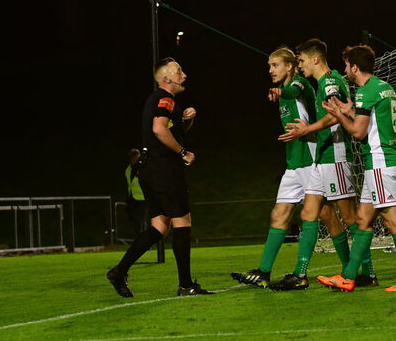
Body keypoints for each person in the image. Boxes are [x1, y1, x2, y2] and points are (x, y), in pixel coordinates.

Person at [231, 47, 351, 288]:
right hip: (293, 163)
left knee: (326, 214)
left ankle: (346, 269)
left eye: (274, 65)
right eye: (269, 66)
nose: (270, 70)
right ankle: (263, 272)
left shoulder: (299, 85)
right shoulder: (286, 92)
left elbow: (294, 90)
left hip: (310, 158)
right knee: (279, 214)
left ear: (289, 66)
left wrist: (279, 91)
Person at [317, 45, 396, 291]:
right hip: (383, 162)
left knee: (393, 222)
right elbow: (374, 119)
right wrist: (350, 110)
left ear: (355, 67)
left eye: (346, 66)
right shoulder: (384, 87)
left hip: (380, 163)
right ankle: (347, 277)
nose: (345, 71)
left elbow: (358, 131)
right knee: (363, 221)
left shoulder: (366, 91)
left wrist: (340, 114)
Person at [273, 39, 376, 291]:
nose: (300, 65)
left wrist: (307, 129)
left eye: (302, 61)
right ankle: (301, 274)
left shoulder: (330, 82)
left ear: (315, 59)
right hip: (322, 157)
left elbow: (334, 115)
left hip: (336, 156)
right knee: (310, 213)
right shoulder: (324, 82)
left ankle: (367, 272)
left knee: (350, 217)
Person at [107, 58, 212, 297]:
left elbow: (166, 130)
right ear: (167, 78)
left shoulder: (158, 100)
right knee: (182, 223)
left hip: (149, 168)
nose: (184, 75)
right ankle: (186, 285)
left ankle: (119, 271)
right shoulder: (165, 97)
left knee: (159, 227)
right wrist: (183, 152)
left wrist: (186, 121)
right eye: (179, 71)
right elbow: (158, 129)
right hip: (164, 169)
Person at [124, 148, 147, 237]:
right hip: (132, 199)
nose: (132, 158)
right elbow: (128, 186)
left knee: (141, 222)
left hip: (142, 199)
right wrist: (127, 200)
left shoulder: (142, 167)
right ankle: (141, 240)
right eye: (131, 157)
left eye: (134, 156)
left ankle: (143, 241)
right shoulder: (128, 169)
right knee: (135, 222)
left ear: (138, 157)